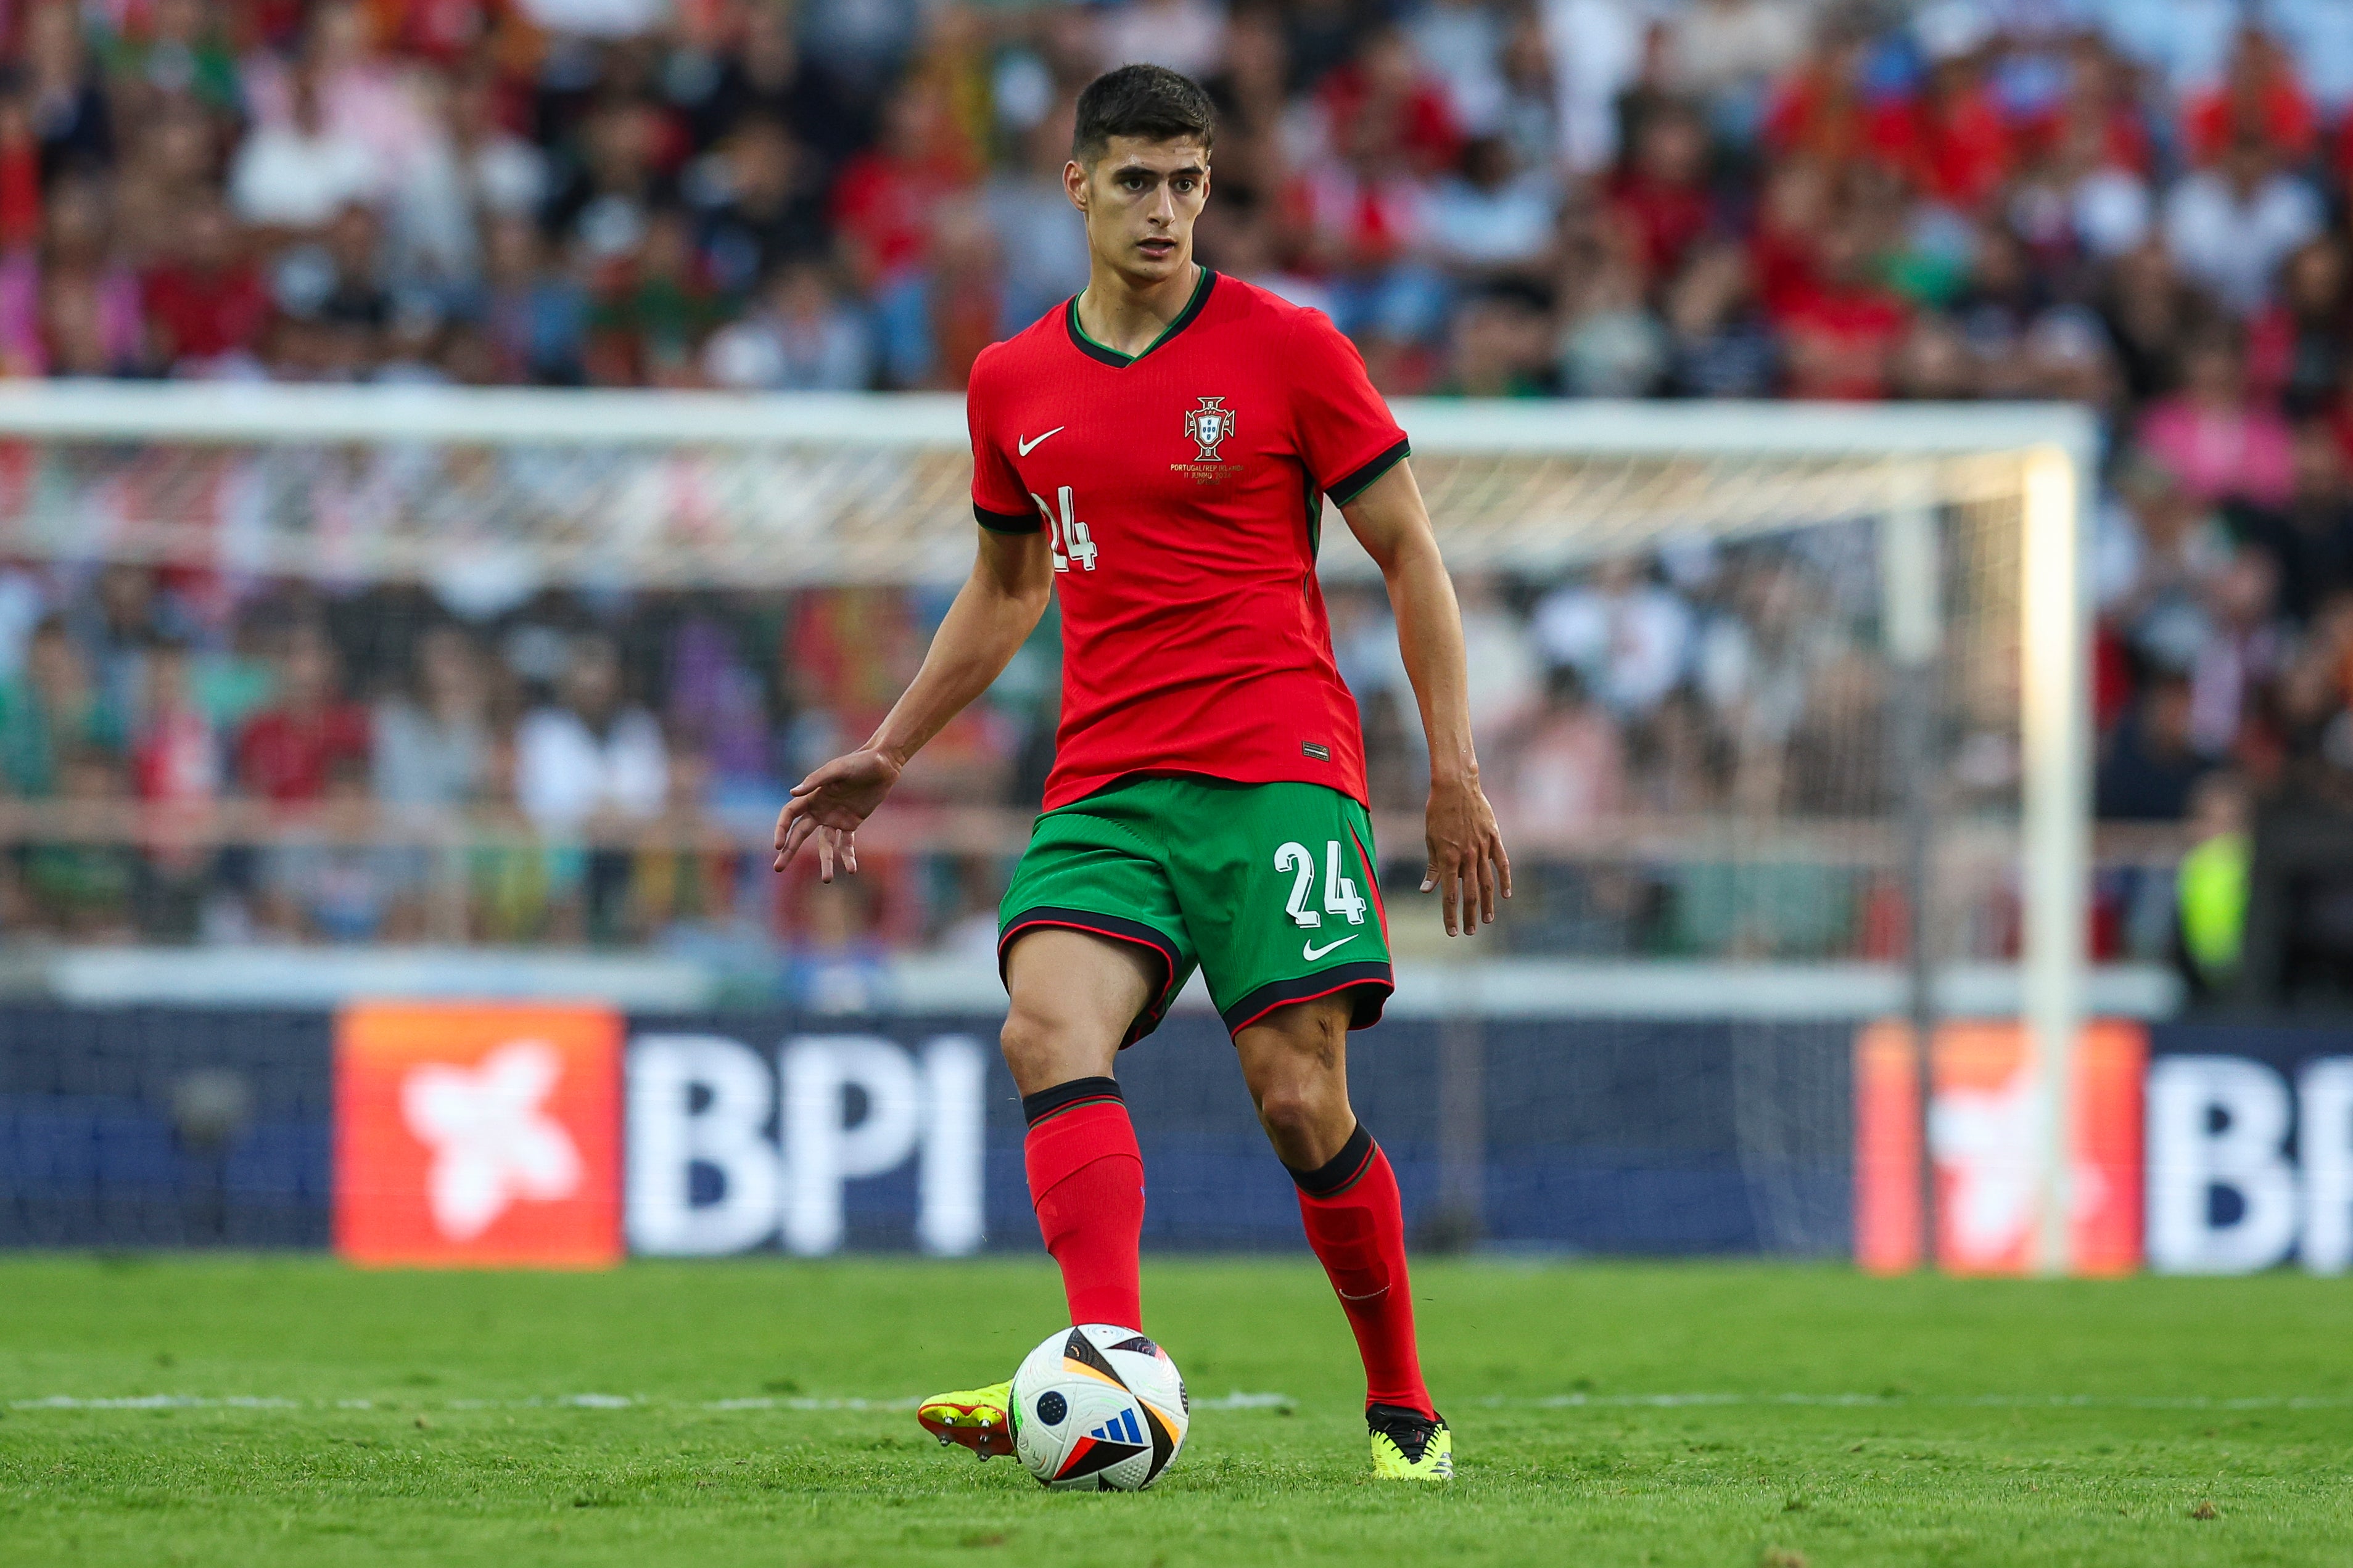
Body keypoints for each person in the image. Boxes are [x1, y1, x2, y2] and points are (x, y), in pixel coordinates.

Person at [772, 65, 1507, 1483]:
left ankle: (1403, 1408)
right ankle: (1105, 1375)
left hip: (1276, 764)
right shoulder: (1011, 382)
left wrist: (1454, 768)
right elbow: (1004, 591)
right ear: (1079, 189)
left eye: (1188, 182)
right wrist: (890, 748)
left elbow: (1412, 550)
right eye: (1136, 182)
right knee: (1047, 1029)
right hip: (1104, 781)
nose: (1166, 210)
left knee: (1299, 1100)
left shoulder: (1290, 348)